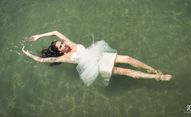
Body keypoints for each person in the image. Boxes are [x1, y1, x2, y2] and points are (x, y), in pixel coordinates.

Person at [22, 31, 172, 86]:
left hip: (99, 54)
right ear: (59, 52)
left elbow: (55, 31)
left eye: (62, 43)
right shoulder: (66, 58)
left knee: (127, 58)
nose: (63, 45)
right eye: (60, 46)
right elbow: (41, 60)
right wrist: (27, 53)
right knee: (127, 72)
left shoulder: (70, 43)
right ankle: (156, 77)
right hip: (97, 66)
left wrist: (39, 36)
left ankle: (151, 68)